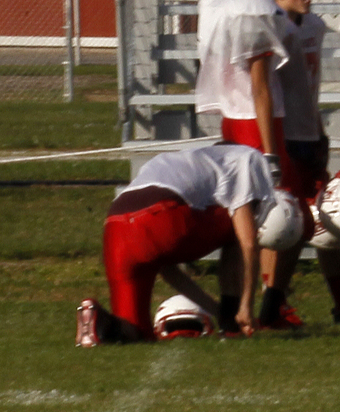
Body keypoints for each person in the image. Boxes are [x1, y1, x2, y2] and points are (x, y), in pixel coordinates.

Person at [77, 139, 275, 345]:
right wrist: (246, 306)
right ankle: (232, 323)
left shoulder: (180, 164)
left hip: (115, 228)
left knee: (134, 334)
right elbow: (249, 243)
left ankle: (97, 322)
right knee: (238, 227)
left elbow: (165, 265)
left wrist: (214, 309)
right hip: (161, 216)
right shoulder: (242, 158)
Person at [269, 0, 340, 328]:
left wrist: (318, 130)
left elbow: (308, 89)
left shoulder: (315, 25)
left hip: (310, 135)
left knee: (329, 219)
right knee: (286, 226)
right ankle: (273, 304)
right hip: (284, 139)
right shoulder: (274, 30)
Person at [194, 0, 290, 168]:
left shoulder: (219, 3)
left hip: (231, 118)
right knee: (274, 197)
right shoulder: (255, 10)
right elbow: (259, 87)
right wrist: (270, 153)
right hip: (256, 123)